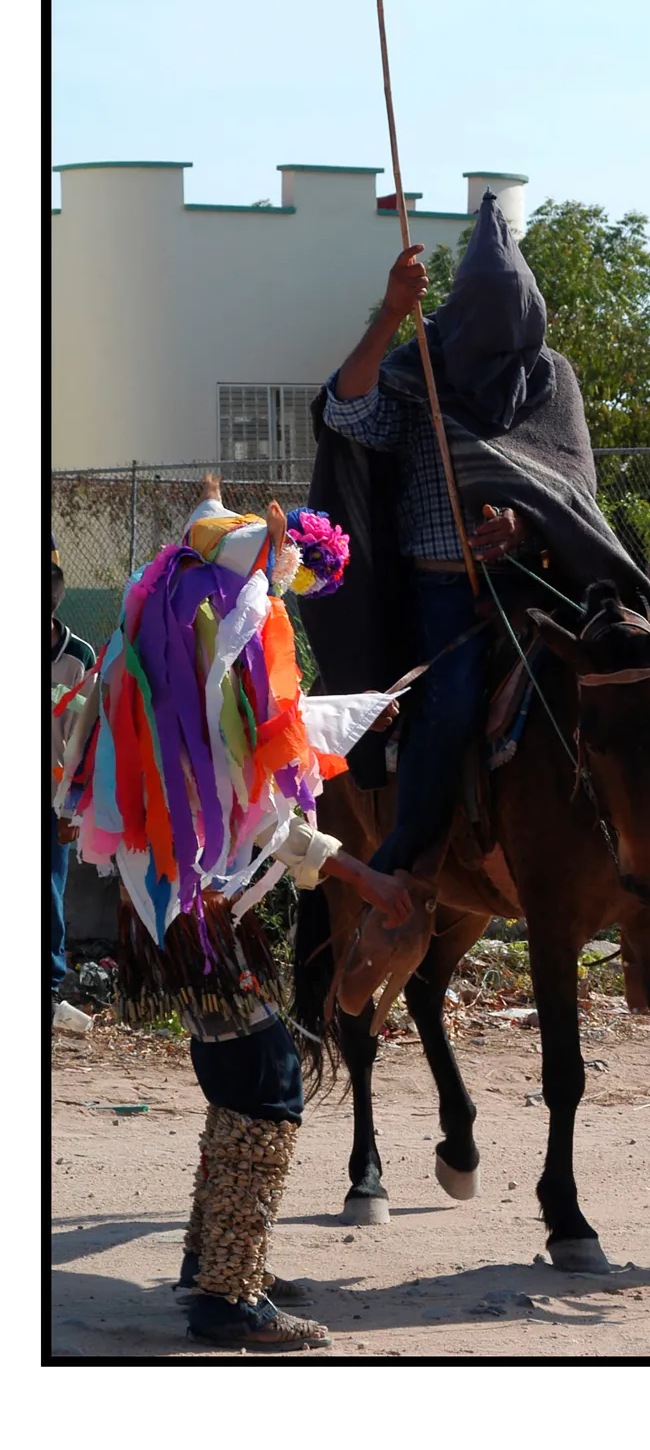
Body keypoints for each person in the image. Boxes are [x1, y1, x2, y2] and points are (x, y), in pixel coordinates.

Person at [54, 479, 417, 1350]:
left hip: (177, 910)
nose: (271, 607)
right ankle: (226, 1293)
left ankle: (218, 1258)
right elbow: (261, 797)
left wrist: (358, 719)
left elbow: (261, 743)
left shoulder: (165, 658)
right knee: (268, 1082)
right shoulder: (208, 667)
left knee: (235, 1076)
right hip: (200, 911)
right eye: (272, 586)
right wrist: (364, 874)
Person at [312, 191, 650, 888]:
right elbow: (347, 410)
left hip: (541, 579)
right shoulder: (416, 372)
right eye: (488, 338)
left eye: (514, 337)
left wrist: (526, 522)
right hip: (440, 589)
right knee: (457, 699)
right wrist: (391, 315)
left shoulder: (551, 379)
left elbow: (569, 488)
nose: (502, 354)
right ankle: (406, 856)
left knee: (648, 680)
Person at [50, 556, 95, 1019]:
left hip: (53, 799)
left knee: (49, 891)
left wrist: (72, 810)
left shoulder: (78, 659)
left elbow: (83, 738)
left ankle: (48, 985)